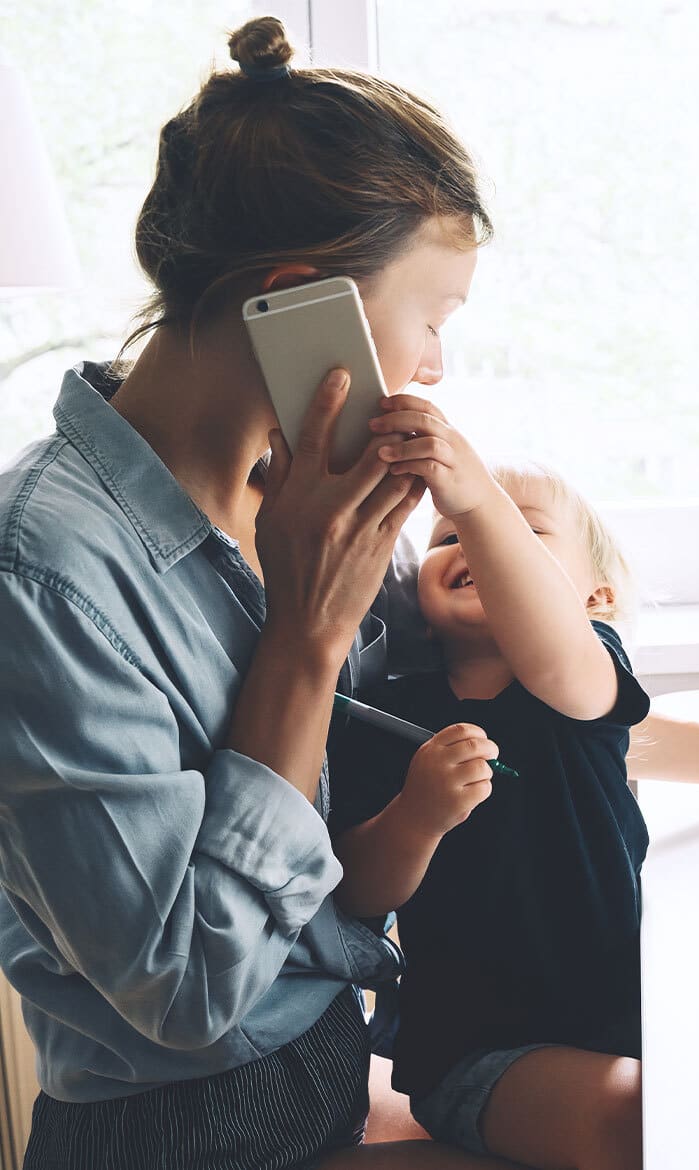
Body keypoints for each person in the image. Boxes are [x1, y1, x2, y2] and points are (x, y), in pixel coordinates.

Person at [0, 16, 508, 1169]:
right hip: (182, 1130)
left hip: (332, 1066)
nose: (433, 365)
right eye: (431, 320)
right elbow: (185, 990)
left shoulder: (299, 493)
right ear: (298, 298)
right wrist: (303, 639)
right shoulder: (44, 574)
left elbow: (454, 705)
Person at [327, 409, 699, 1169]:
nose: (472, 538)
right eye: (449, 535)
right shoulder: (395, 715)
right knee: (656, 1122)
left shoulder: (585, 663)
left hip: (634, 1008)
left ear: (592, 601)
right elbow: (361, 892)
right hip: (480, 1053)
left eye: (519, 532)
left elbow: (598, 708)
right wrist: (417, 818)